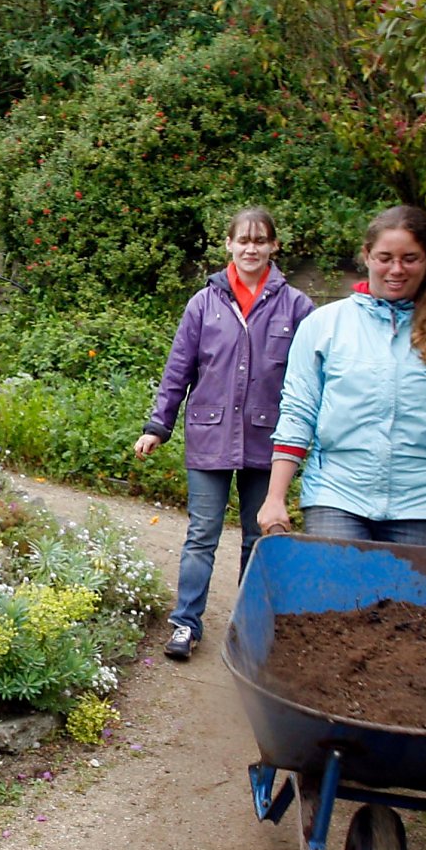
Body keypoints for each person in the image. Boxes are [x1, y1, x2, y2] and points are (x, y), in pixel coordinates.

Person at [254, 204, 426, 551]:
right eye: (385, 257)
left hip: (423, 504)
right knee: (337, 604)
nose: (396, 269)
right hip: (336, 496)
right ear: (367, 255)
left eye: (410, 258)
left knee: (409, 607)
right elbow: (298, 413)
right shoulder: (325, 326)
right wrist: (275, 498)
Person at [134, 207, 315, 661]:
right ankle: (185, 623)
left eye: (260, 240)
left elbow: (315, 379)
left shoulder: (297, 307)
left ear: (274, 246)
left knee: (259, 539)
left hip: (268, 442)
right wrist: (159, 425)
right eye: (243, 240)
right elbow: (179, 369)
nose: (251, 248)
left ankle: (248, 631)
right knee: (202, 535)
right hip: (209, 437)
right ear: (229, 245)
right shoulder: (204, 303)